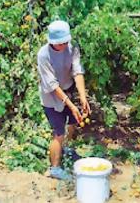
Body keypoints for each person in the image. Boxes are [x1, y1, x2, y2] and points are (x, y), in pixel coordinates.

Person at [37, 20, 90, 180]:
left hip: (68, 90)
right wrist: (70, 104)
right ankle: (54, 168)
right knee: (59, 133)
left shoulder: (72, 48)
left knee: (74, 123)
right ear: (53, 42)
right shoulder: (43, 55)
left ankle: (66, 151)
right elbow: (52, 85)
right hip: (52, 98)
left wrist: (82, 96)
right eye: (62, 42)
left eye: (67, 41)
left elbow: (77, 71)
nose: (65, 44)